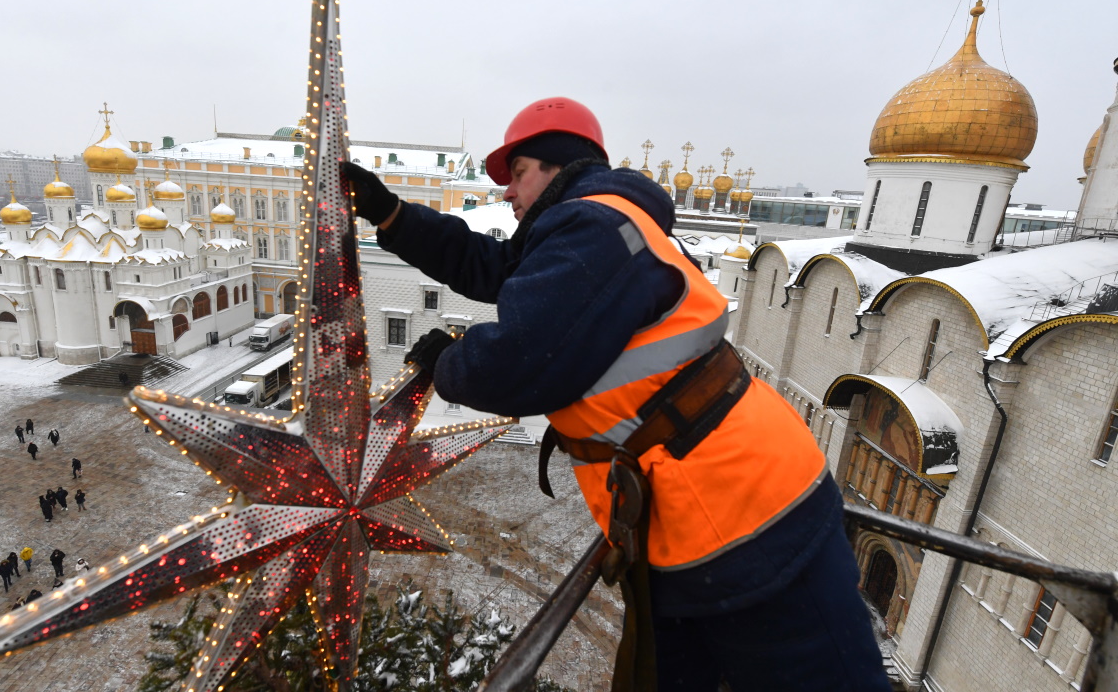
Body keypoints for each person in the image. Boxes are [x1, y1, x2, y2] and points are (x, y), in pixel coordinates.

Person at [343, 97, 891, 691]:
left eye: (518, 171)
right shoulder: (592, 229)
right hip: (695, 518)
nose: (507, 192)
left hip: (748, 518)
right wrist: (390, 213)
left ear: (558, 166)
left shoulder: (595, 229)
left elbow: (522, 363)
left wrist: (449, 359)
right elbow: (489, 265)